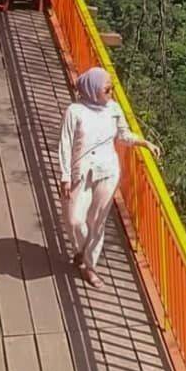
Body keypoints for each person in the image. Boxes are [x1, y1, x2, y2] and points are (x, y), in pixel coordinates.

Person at [58, 66, 161, 287]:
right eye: (107, 89)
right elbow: (65, 144)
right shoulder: (75, 112)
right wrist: (65, 175)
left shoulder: (113, 109)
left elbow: (123, 135)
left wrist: (144, 143)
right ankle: (82, 249)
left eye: (111, 89)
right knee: (75, 218)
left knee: (97, 221)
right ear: (93, 89)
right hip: (82, 171)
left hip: (108, 171)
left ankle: (90, 267)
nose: (111, 93)